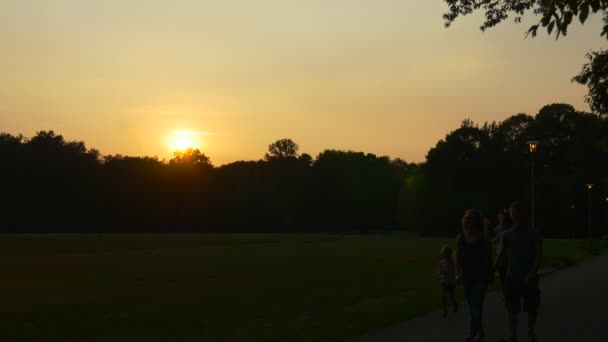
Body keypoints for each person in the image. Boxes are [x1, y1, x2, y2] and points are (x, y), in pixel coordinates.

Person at [495, 202, 542, 342]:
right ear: (510, 215)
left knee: (531, 308)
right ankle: (512, 335)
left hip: (529, 277)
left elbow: (538, 255)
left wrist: (533, 272)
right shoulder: (506, 235)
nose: (516, 215)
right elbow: (502, 255)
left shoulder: (534, 233)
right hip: (512, 276)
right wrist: (493, 269)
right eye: (513, 213)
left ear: (525, 214)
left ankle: (530, 330)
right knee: (512, 309)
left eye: (518, 212)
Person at [455, 209, 493, 342]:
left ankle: (474, 333)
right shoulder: (461, 237)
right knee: (473, 306)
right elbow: (458, 258)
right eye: (466, 218)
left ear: (476, 221)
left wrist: (491, 273)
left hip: (481, 275)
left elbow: (489, 257)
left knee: (476, 304)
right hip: (467, 276)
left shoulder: (482, 237)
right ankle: (478, 332)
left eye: (471, 218)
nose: (468, 221)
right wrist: (457, 273)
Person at [493, 210, 513, 295]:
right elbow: (495, 241)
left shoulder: (512, 230)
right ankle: (506, 292)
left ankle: (509, 292)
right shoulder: (497, 229)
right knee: (502, 275)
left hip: (509, 256)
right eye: (500, 218)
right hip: (500, 254)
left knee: (508, 276)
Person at [439, 245, 458, 318]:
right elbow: (440, 271)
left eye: (446, 254)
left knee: (451, 297)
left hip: (451, 282)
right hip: (444, 282)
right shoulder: (441, 262)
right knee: (443, 296)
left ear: (449, 254)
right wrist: (441, 274)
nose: (445, 256)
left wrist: (456, 277)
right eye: (443, 254)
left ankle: (455, 303)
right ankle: (445, 310)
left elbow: (456, 271)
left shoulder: (453, 262)